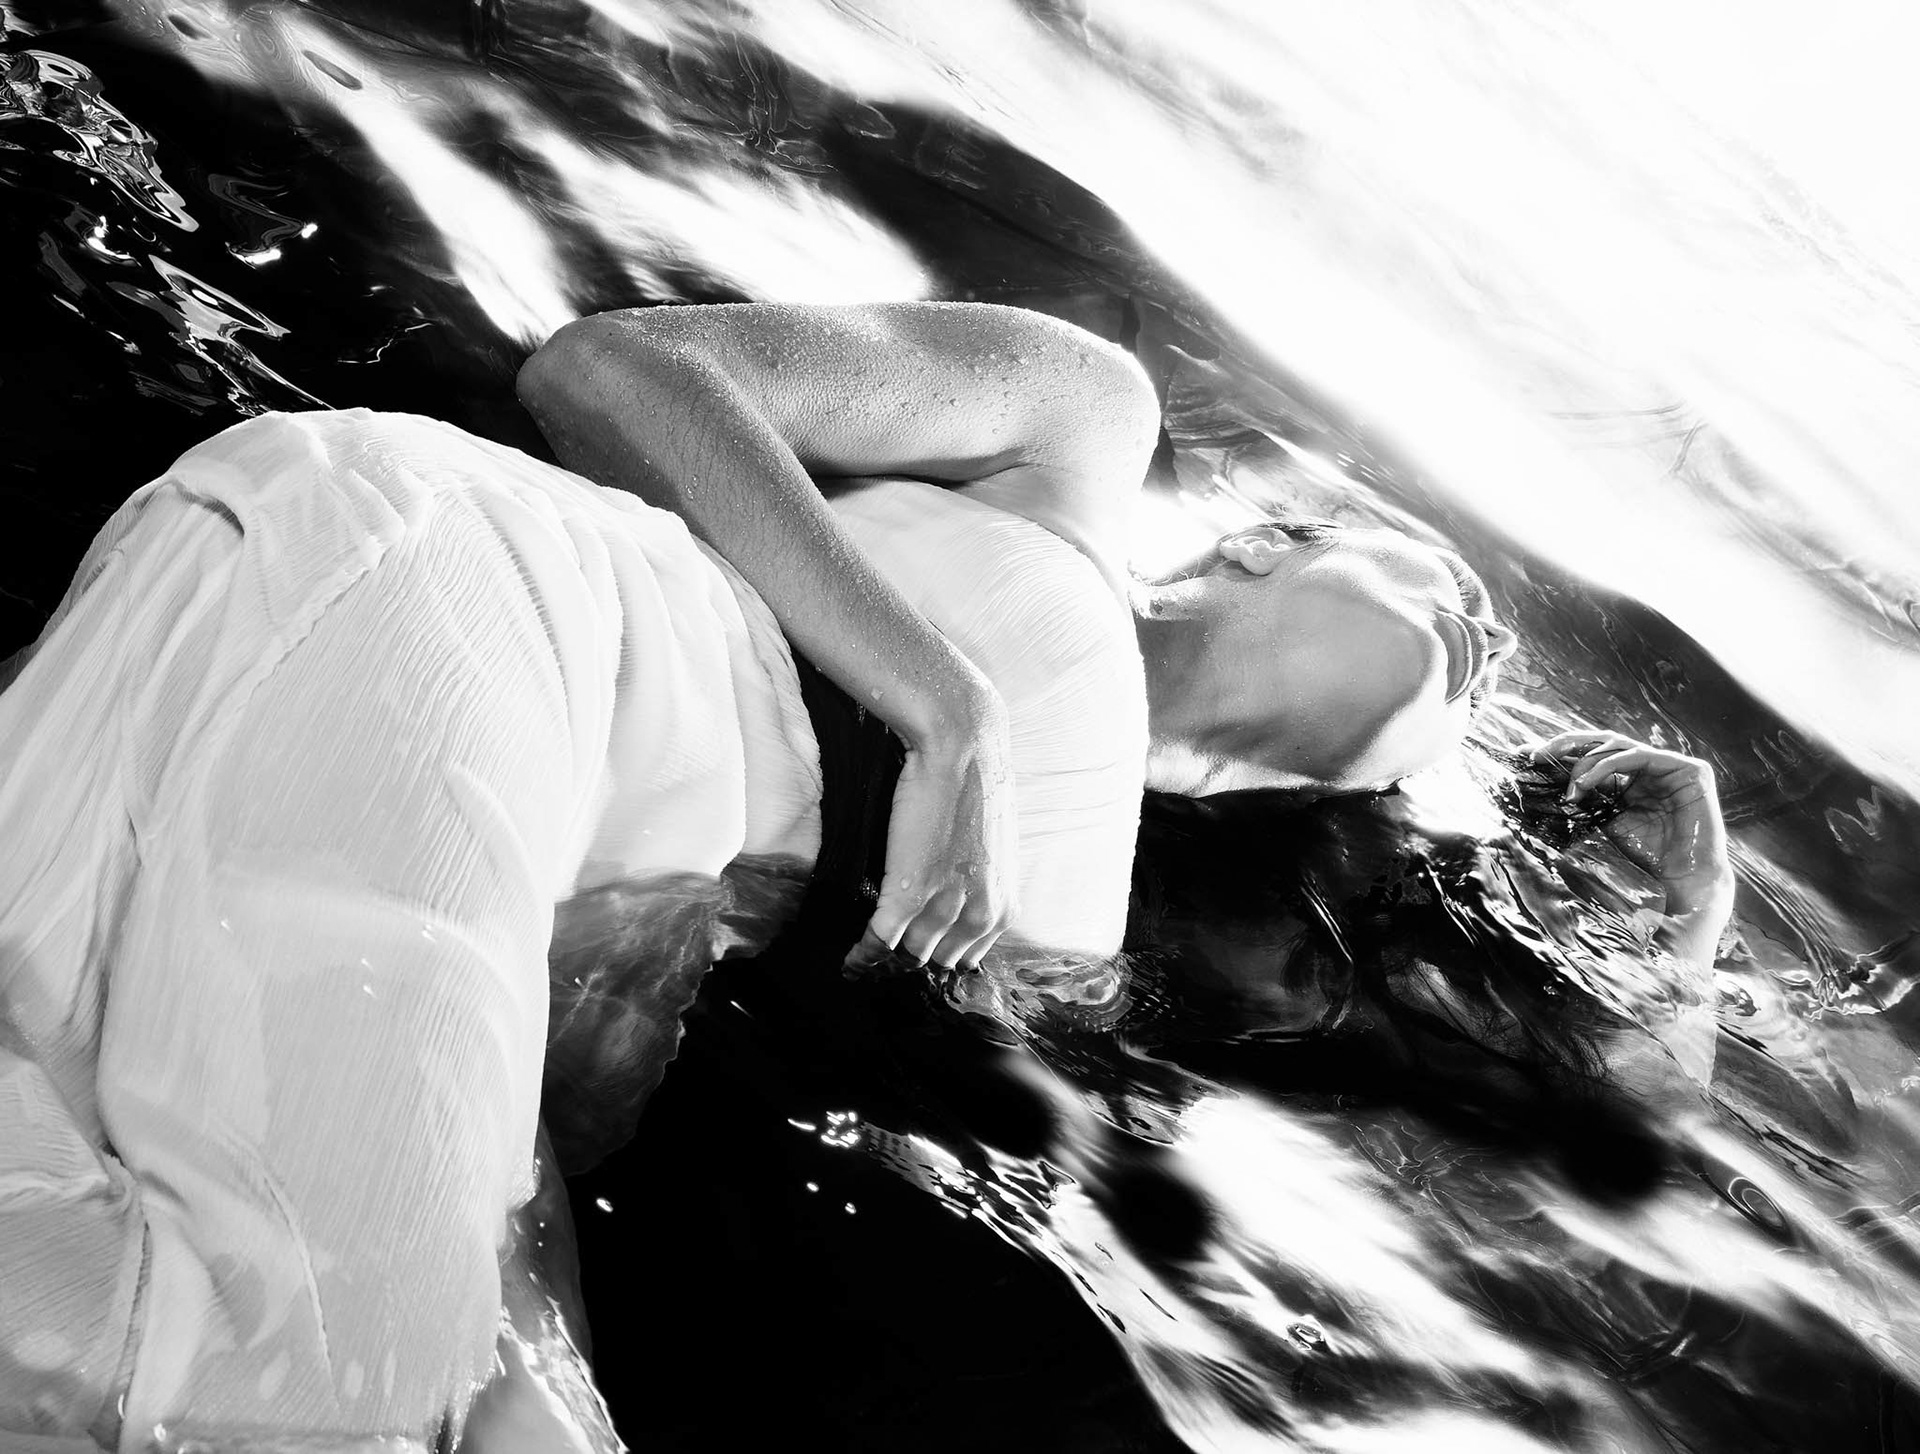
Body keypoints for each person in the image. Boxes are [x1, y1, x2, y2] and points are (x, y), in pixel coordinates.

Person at [0, 301, 1729, 1451]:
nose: (1472, 643)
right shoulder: (1079, 432)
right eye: (1435, 591)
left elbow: (1626, 1148)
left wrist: (1675, 932)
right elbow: (612, 375)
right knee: (333, 1395)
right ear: (1282, 537)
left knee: (500, 1395)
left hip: (426, 767)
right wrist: (942, 701)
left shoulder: (1115, 921)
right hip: (470, 601)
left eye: (1475, 678)